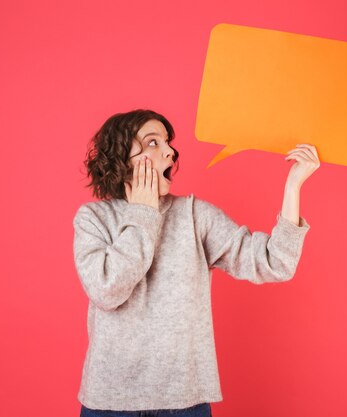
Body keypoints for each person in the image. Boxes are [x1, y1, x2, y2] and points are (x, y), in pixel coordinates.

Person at [73, 109, 319, 417]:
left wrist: (293, 185)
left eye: (168, 143)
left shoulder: (194, 216)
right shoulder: (94, 219)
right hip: (109, 403)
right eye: (152, 143)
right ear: (122, 157)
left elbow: (275, 262)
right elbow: (106, 290)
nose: (170, 152)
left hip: (184, 403)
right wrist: (144, 213)